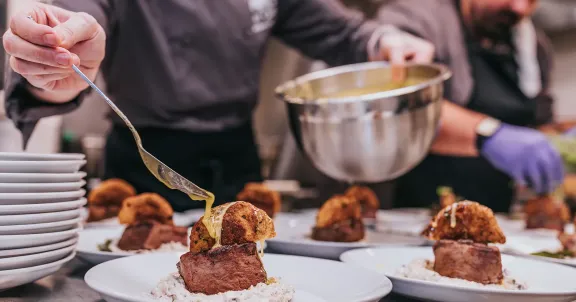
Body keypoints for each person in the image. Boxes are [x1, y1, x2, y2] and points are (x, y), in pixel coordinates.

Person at [3, 1, 434, 212]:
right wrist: (55, 67)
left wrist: (385, 41)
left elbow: (343, 31)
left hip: (238, 159)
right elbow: (78, 25)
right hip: (146, 163)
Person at [377, 0, 564, 212]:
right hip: (416, 211)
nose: (519, 8)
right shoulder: (416, 20)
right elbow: (399, 107)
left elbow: (541, 121)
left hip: (502, 218)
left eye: (531, 1)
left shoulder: (532, 47)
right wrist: (490, 135)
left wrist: (559, 145)